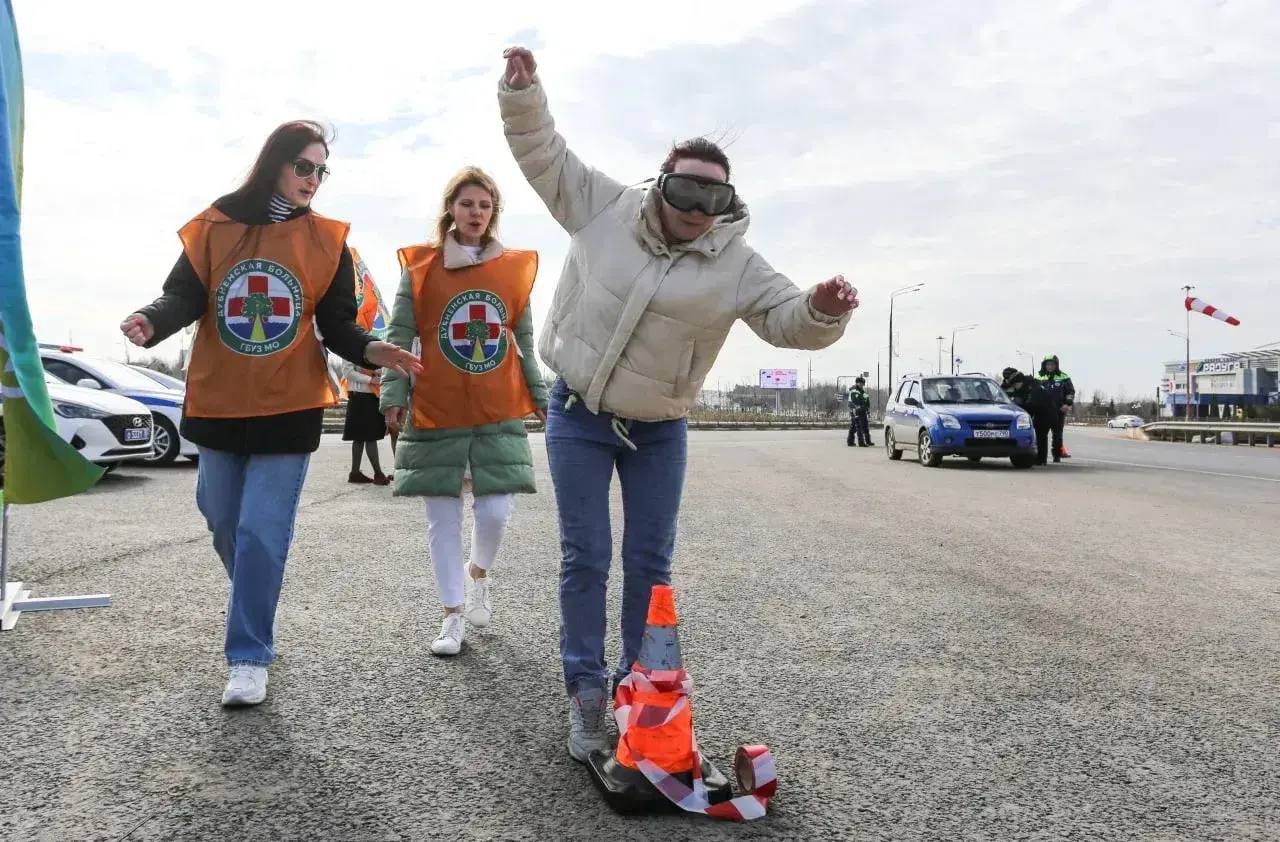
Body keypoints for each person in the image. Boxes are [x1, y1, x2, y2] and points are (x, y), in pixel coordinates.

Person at [499, 46, 859, 763]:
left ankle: (644, 690)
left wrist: (822, 310)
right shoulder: (603, 205)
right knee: (585, 556)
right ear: (661, 183)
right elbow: (543, 153)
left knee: (650, 563)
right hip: (579, 411)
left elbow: (786, 317)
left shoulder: (736, 263)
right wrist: (523, 93)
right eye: (685, 192)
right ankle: (586, 692)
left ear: (728, 204)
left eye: (713, 199)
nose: (696, 211)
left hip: (660, 428)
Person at [120, 121, 422, 707]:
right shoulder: (215, 227)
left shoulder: (328, 242)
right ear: (275, 164)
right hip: (219, 398)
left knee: (262, 529)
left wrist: (373, 347)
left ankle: (248, 654)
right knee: (222, 518)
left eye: (321, 170)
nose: (313, 180)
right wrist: (151, 321)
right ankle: (255, 598)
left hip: (290, 402)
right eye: (304, 166)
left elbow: (337, 324)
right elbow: (183, 294)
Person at [380, 166, 548, 657]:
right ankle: (452, 614)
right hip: (437, 404)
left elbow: (524, 341)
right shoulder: (420, 268)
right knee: (442, 517)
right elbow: (398, 336)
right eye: (468, 203)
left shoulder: (513, 270)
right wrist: (393, 394)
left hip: (496, 406)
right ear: (450, 208)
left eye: (486, 205)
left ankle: (479, 573)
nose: (476, 212)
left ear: (494, 213)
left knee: (495, 512)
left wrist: (538, 396)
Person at [342, 247, 392, 485]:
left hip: (370, 396)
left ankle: (355, 472)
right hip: (360, 395)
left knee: (363, 438)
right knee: (366, 437)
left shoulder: (370, 341)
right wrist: (370, 379)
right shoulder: (350, 343)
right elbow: (347, 371)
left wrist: (379, 373)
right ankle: (378, 473)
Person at [1002, 367, 1054, 465]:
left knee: (1041, 435)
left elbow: (1031, 407)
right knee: (1039, 435)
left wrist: (1019, 409)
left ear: (1019, 382)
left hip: (1046, 412)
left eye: (1015, 386)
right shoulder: (1026, 385)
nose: (1015, 388)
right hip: (1040, 411)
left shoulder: (1034, 389)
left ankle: (1041, 460)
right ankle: (1039, 459)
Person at [1036, 355, 1076, 462]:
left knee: (1057, 435)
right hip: (1042, 412)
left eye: (1052, 364)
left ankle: (1057, 456)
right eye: (1048, 364)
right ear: (1044, 365)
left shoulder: (1064, 377)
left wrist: (1067, 404)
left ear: (1056, 365)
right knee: (1040, 435)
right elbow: (1033, 393)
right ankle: (1040, 458)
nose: (1050, 366)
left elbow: (1070, 392)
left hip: (1058, 410)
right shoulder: (1038, 377)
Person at [846, 376, 872, 447]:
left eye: (862, 383)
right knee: (858, 426)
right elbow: (856, 401)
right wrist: (859, 408)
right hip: (855, 411)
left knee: (864, 426)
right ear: (857, 383)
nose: (861, 385)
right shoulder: (854, 391)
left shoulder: (863, 392)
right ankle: (861, 442)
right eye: (860, 383)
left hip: (862, 411)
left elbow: (866, 402)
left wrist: (867, 410)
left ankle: (867, 441)